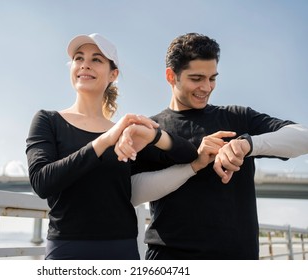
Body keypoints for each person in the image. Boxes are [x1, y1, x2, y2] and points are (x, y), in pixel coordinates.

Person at [132, 32, 308, 260]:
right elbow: (131, 193)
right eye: (196, 78)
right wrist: (193, 165)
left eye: (212, 78)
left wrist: (247, 144)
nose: (206, 87)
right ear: (171, 76)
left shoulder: (237, 117)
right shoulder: (151, 128)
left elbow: (303, 137)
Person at [25, 33, 201, 260]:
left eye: (96, 59)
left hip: (121, 249)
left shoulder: (127, 134)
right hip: (67, 249)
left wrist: (153, 135)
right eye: (79, 58)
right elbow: (42, 182)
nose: (85, 64)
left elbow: (188, 154)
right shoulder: (48, 121)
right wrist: (104, 141)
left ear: (113, 74)